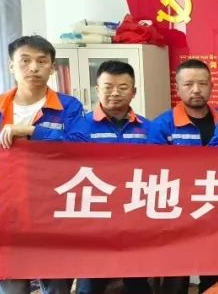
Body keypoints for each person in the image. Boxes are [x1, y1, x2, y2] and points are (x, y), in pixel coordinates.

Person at [0, 35, 83, 294]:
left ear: (52, 67)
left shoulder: (69, 107)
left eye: (42, 61)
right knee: (11, 289)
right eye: (25, 61)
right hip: (5, 219)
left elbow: (78, 147)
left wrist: (31, 131)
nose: (34, 68)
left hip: (54, 218)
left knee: (57, 288)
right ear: (11, 66)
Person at [69, 60, 153, 294]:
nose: (115, 93)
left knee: (137, 282)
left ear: (134, 92)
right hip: (94, 217)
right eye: (108, 87)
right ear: (98, 90)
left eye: (122, 87)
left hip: (134, 216)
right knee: (90, 283)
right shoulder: (80, 127)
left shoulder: (148, 128)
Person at [145, 59, 218, 293]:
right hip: (176, 212)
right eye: (188, 84)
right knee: (176, 277)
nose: (196, 90)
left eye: (202, 83)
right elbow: (153, 169)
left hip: (216, 208)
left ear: (211, 86)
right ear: (178, 88)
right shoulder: (162, 125)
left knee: (215, 274)